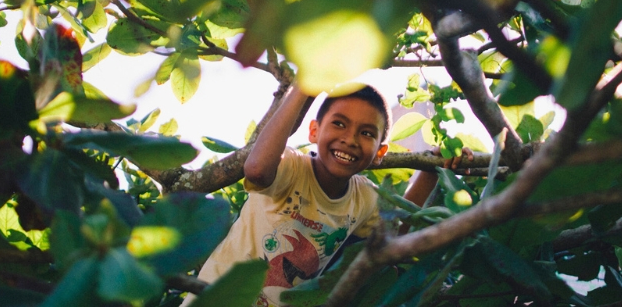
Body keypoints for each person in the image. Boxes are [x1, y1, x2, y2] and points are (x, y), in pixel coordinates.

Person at [182, 83, 471, 306]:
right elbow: (256, 171)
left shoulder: (364, 200)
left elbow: (396, 232)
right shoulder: (291, 167)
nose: (350, 139)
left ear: (380, 153)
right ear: (314, 131)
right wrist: (303, 87)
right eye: (339, 123)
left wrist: (434, 169)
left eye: (367, 133)